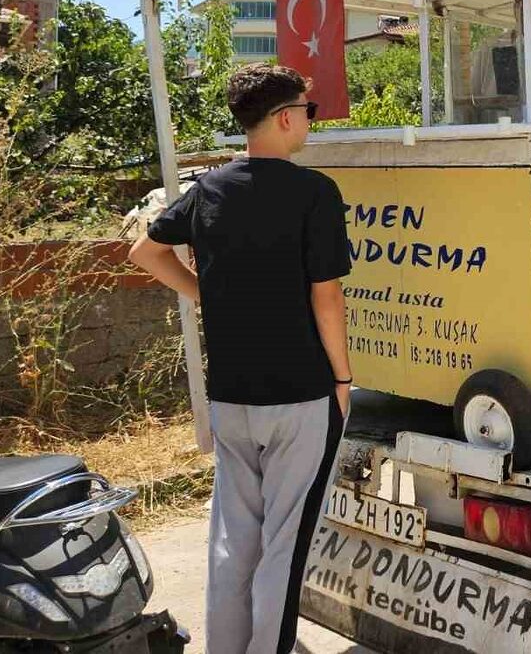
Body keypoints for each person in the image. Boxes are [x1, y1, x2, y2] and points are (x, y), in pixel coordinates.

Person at [129, 64, 353, 654]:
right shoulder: (314, 193)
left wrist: (207, 292)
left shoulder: (208, 190)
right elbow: (326, 297)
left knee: (233, 541)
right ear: (285, 118)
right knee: (284, 545)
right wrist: (343, 378)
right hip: (300, 395)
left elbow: (145, 251)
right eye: (307, 111)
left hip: (230, 397)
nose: (310, 121)